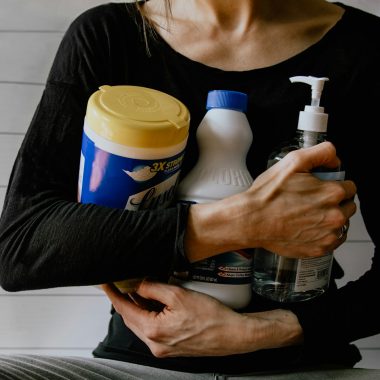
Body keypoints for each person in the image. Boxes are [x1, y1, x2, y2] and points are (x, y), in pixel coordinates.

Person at [0, 0, 379, 378]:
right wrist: (242, 223)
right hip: (140, 363)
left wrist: (261, 332)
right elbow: (21, 246)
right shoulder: (110, 36)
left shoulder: (365, 46)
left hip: (306, 363)